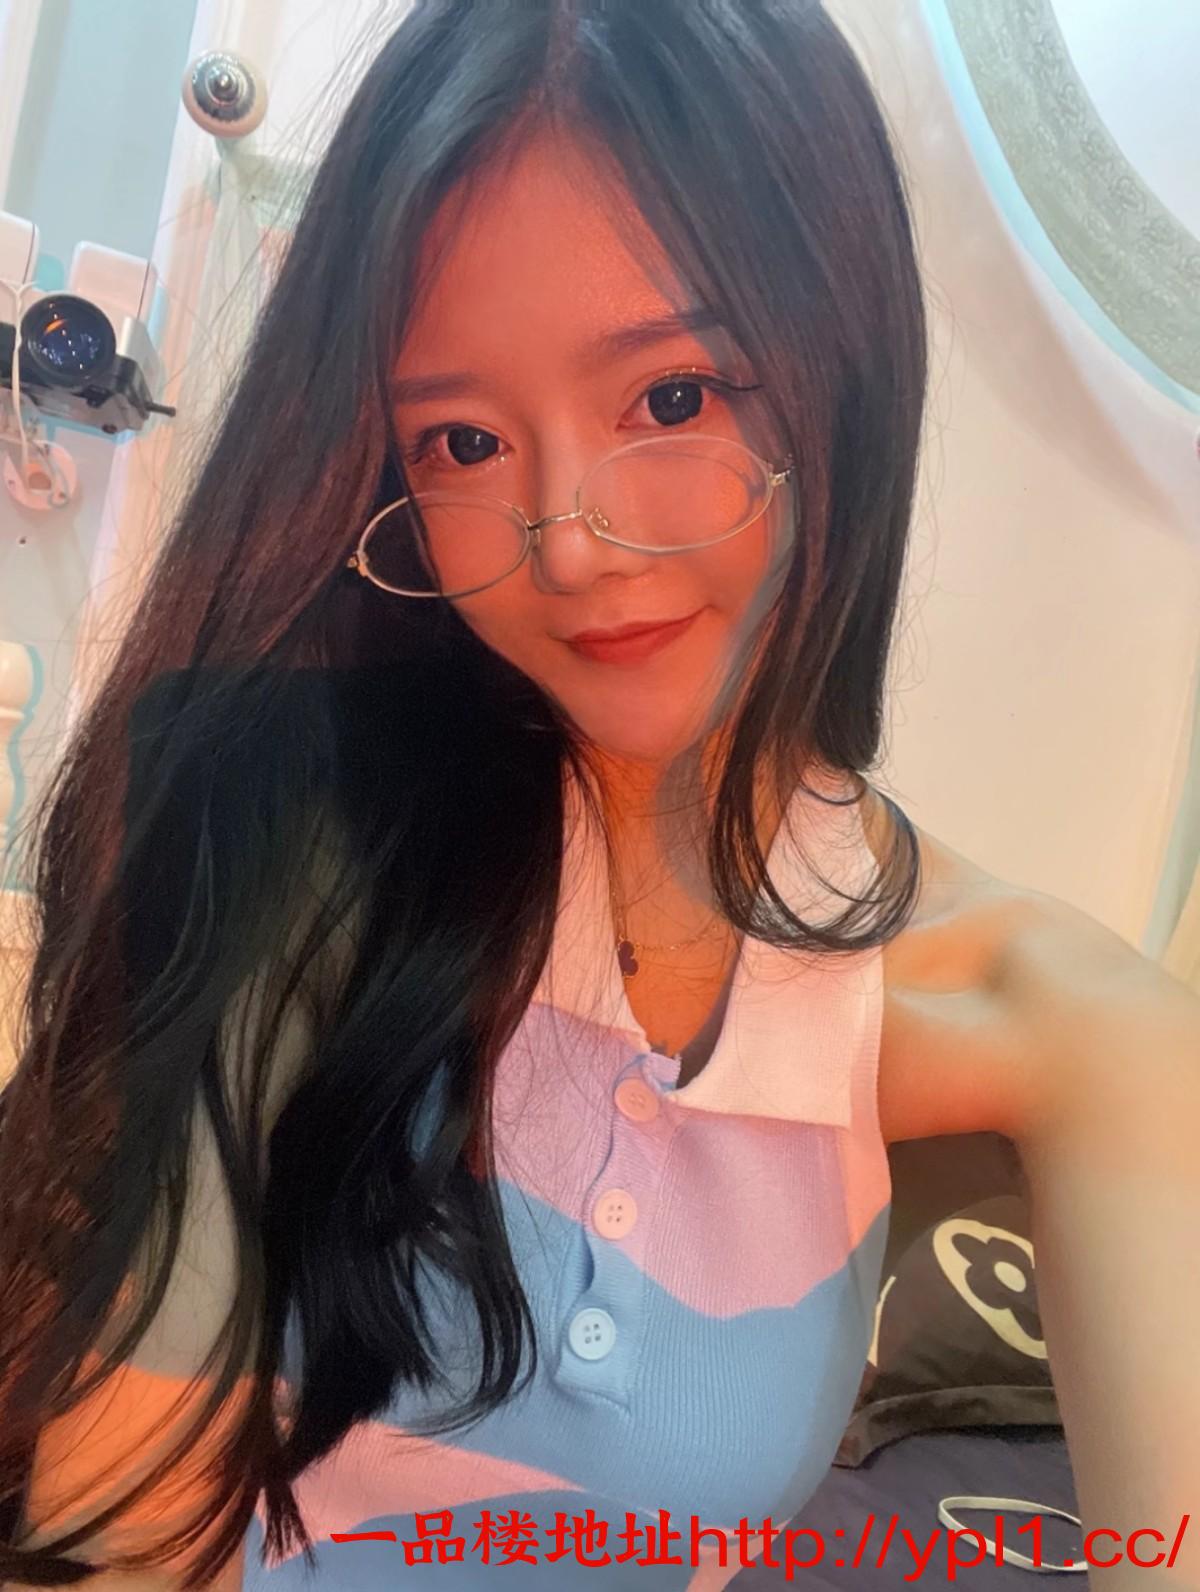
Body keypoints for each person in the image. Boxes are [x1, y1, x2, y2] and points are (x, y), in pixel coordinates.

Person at [1, 2, 1197, 1588]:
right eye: (463, 439)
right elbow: (109, 1530)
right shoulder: (302, 825)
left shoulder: (1044, 1019)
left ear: (845, 366)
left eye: (672, 398)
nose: (566, 544)